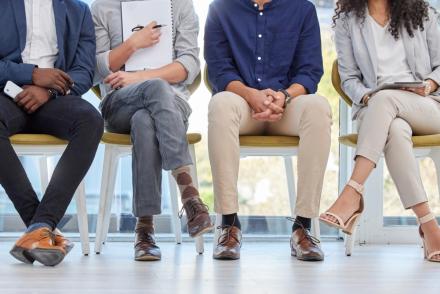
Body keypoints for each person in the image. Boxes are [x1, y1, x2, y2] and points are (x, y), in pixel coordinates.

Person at [205, 0, 332, 261]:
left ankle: (303, 228)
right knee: (220, 104)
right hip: (242, 103)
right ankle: (229, 225)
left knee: (318, 107)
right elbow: (219, 68)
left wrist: (284, 96)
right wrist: (250, 94)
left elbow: (310, 70)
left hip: (286, 105)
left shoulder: (302, 9)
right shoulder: (221, 8)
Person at [92, 0, 212, 261]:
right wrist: (133, 44)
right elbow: (96, 69)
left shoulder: (180, 6)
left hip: (171, 102)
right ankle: (188, 192)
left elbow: (189, 66)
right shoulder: (103, 7)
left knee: (145, 121)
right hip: (119, 101)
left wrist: (139, 76)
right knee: (155, 89)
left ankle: (144, 230)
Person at [321, 0, 440, 262]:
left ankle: (352, 193)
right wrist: (366, 98)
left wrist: (430, 85)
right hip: (376, 108)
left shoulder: (424, 14)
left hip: (426, 106)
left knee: (385, 100)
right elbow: (349, 78)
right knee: (395, 130)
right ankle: (429, 225)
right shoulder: (347, 21)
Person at [0, 0, 103, 266]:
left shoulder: (78, 10)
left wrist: (48, 90)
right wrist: (32, 74)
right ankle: (41, 226)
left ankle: (40, 226)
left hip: (54, 98)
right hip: (7, 93)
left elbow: (84, 70)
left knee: (90, 120)